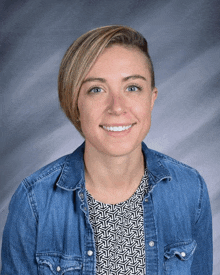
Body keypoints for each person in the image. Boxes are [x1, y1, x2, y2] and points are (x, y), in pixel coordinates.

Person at [1, 25, 212, 274]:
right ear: (75, 103)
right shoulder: (34, 201)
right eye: (96, 89)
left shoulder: (190, 189)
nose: (117, 107)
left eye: (132, 87)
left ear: (152, 98)